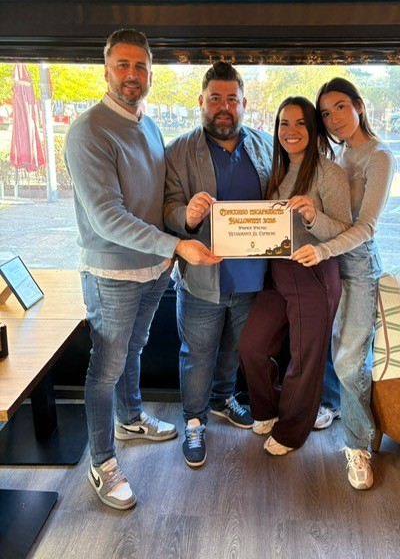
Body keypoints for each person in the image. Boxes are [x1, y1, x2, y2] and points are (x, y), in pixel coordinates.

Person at [64, 28, 220, 510]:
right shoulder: (88, 131)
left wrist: (183, 222)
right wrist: (179, 245)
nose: (132, 75)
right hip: (112, 274)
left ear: (151, 73)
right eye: (122, 65)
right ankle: (102, 462)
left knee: (134, 348)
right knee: (104, 368)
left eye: (140, 67)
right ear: (106, 70)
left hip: (155, 268)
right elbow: (107, 218)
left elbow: (157, 202)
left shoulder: (149, 126)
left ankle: (130, 419)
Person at [163, 61, 273, 468]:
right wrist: (187, 216)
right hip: (201, 277)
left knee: (234, 348)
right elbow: (167, 208)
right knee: (197, 353)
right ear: (201, 101)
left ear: (244, 103)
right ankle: (194, 420)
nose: (223, 107)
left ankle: (224, 398)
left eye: (231, 99)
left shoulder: (266, 146)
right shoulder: (178, 150)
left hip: (252, 278)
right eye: (215, 99)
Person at [238, 96, 352, 456]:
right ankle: (269, 409)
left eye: (301, 123)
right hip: (277, 272)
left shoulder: (330, 174)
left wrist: (313, 216)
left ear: (313, 128)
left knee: (306, 359)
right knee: (252, 346)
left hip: (313, 272)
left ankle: (292, 432)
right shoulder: (278, 170)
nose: (291, 131)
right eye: (284, 123)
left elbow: (344, 229)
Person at [315, 77, 396, 490]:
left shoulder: (378, 156)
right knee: (332, 344)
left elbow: (366, 227)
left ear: (359, 106)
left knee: (351, 357)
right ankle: (335, 406)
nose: (334, 119)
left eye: (340, 107)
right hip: (327, 262)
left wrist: (324, 249)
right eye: (326, 113)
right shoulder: (338, 153)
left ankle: (358, 445)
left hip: (358, 264)